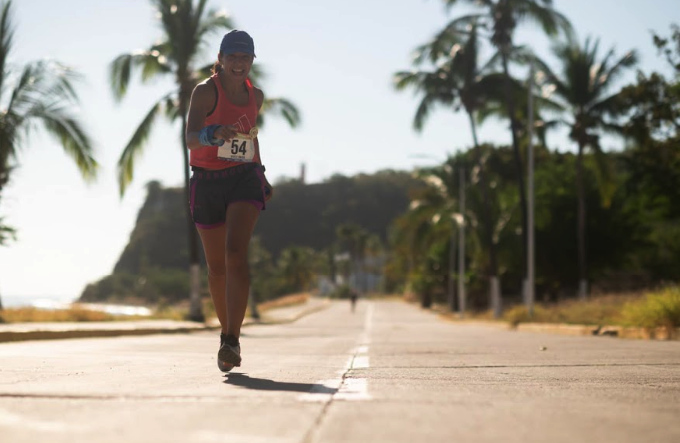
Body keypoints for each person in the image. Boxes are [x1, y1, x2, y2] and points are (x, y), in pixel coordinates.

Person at [185, 30, 272, 373]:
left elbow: (251, 136)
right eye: (232, 56)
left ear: (252, 60)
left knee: (235, 254)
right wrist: (210, 133)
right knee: (216, 268)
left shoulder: (257, 96)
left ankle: (232, 341)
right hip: (206, 182)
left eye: (245, 57)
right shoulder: (206, 92)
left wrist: (261, 173)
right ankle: (226, 332)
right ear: (220, 58)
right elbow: (190, 139)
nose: (238, 63)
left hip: (243, 178)